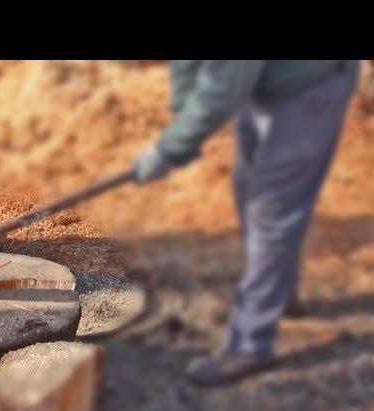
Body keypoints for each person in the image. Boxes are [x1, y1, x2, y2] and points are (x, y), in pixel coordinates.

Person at [133, 60, 360, 385]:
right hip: (266, 81)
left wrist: (168, 150)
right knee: (247, 189)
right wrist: (183, 120)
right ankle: (278, 291)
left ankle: (250, 342)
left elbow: (223, 90)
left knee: (271, 212)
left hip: (312, 85)